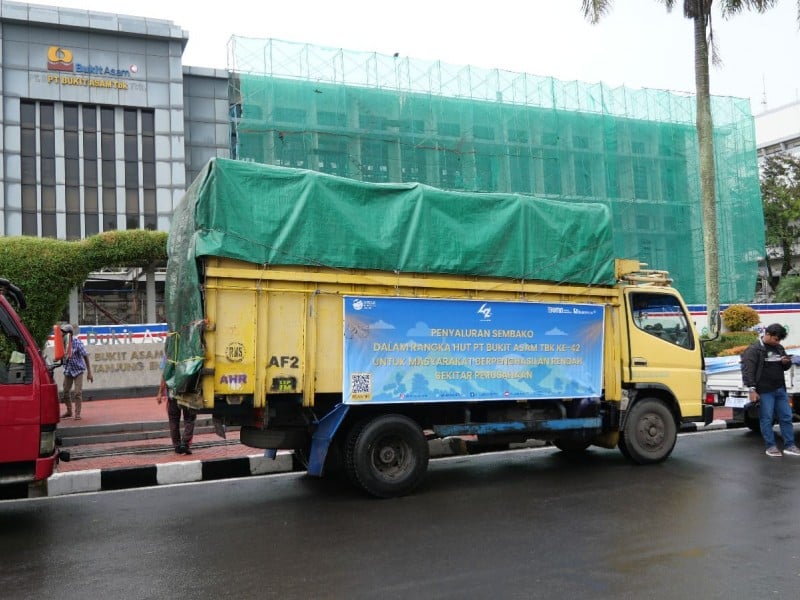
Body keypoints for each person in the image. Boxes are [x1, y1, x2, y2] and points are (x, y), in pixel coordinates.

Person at [741, 323, 800, 457]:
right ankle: (771, 446)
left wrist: (786, 362)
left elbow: (785, 367)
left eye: (779, 340)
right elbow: (748, 370)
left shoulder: (778, 348)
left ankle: (790, 445)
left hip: (780, 389)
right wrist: (752, 389)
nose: (777, 342)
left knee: (786, 417)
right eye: (775, 339)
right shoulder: (754, 349)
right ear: (767, 334)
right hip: (765, 390)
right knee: (766, 418)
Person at [157, 353, 196, 454]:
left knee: (174, 420)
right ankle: (185, 444)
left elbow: (165, 375)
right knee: (189, 418)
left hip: (172, 392)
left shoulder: (168, 354)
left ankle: (177, 446)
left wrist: (160, 392)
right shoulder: (190, 350)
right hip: (188, 391)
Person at [60, 323, 93, 420]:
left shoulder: (77, 342)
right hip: (68, 370)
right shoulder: (62, 342)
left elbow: (85, 356)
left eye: (64, 333)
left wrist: (89, 372)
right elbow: (61, 355)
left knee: (77, 392)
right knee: (66, 391)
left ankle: (77, 413)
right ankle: (69, 411)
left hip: (78, 370)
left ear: (69, 333)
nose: (62, 335)